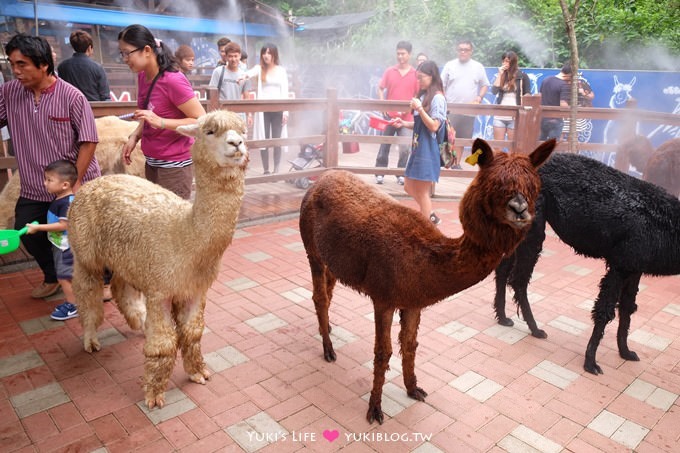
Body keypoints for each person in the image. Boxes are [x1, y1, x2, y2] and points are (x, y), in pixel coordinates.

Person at [0, 33, 100, 299]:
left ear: (43, 64)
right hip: (35, 184)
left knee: (86, 236)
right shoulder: (9, 92)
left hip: (72, 184)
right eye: (12, 64)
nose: (16, 71)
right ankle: (53, 276)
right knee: (29, 232)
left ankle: (104, 280)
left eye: (22, 64)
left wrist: (74, 183)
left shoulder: (71, 96)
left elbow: (89, 142)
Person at [119, 24, 206, 200]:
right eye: (122, 54)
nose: (125, 59)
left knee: (173, 225)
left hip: (174, 168)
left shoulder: (173, 80)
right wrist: (135, 136)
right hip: (152, 163)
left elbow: (202, 120)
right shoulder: (143, 76)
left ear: (147, 50)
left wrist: (162, 122)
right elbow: (148, 112)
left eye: (127, 53)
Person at [393, 60, 447, 225]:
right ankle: (431, 217)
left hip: (428, 151)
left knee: (423, 193)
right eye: (418, 78)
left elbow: (434, 126)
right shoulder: (424, 96)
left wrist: (420, 109)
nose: (419, 81)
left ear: (432, 76)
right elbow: (420, 124)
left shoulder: (438, 98)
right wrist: (403, 123)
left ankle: (426, 231)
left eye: (422, 77)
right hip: (418, 149)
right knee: (408, 186)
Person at [25, 160, 79, 320]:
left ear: (64, 185)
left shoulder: (66, 203)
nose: (45, 183)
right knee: (68, 275)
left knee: (64, 277)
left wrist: (38, 228)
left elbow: (64, 225)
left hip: (66, 248)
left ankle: (73, 306)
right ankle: (78, 301)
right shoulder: (59, 199)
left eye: (49, 180)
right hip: (60, 245)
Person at [374, 41, 419, 185]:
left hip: (407, 117)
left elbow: (419, 94)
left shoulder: (415, 74)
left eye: (403, 53)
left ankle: (400, 172)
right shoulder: (390, 71)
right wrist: (383, 105)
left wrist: (412, 107)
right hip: (389, 115)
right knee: (385, 144)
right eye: (398, 53)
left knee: (405, 146)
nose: (400, 56)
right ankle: (380, 172)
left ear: (409, 54)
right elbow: (380, 88)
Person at [441, 39, 489, 168]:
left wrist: (479, 97)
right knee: (449, 136)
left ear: (471, 51)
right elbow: (441, 85)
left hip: (469, 110)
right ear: (457, 51)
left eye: (466, 50)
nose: (463, 52)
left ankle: (456, 163)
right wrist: (443, 99)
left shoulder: (478, 67)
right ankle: (447, 161)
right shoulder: (450, 65)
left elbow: (485, 85)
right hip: (451, 109)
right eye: (460, 49)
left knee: (462, 138)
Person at [243, 43, 289, 174]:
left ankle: (276, 168)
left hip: (278, 109)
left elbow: (285, 91)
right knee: (264, 138)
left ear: (274, 54)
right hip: (263, 110)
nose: (266, 55)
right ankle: (266, 169)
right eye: (264, 53)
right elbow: (249, 73)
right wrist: (243, 77)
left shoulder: (281, 70)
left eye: (269, 53)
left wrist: (286, 111)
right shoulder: (259, 68)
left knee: (276, 139)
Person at [57, 29, 111, 101]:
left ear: (73, 47)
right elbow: (105, 97)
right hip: (94, 109)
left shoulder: (62, 66)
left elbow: (61, 92)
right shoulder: (97, 68)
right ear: (89, 48)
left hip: (71, 109)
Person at [491, 51, 530, 142]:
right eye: (504, 61)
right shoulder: (501, 75)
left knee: (513, 147)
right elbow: (494, 91)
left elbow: (527, 94)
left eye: (508, 61)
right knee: (498, 146)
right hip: (500, 115)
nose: (505, 63)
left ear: (513, 62)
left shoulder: (522, 76)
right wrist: (500, 74)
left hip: (515, 115)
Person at [208, 41, 251, 123]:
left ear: (240, 56)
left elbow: (246, 96)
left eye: (236, 56)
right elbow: (212, 93)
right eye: (230, 56)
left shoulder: (244, 75)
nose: (233, 59)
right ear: (226, 57)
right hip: (222, 114)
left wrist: (248, 114)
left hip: (238, 115)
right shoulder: (218, 71)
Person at [539, 62, 571, 140]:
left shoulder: (546, 80)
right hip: (555, 119)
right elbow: (563, 105)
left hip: (543, 118)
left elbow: (539, 96)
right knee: (552, 147)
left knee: (540, 145)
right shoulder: (564, 85)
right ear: (569, 74)